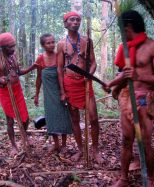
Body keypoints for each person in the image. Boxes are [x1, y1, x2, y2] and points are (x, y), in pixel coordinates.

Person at [104, 10, 154, 186]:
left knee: (145, 141)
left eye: (121, 28)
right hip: (127, 99)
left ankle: (151, 178)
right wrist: (111, 84)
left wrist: (138, 76)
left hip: (146, 99)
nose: (121, 32)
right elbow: (125, 74)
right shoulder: (126, 48)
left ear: (128, 26)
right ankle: (124, 178)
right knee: (126, 140)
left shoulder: (152, 47)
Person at [57, 11, 104, 164]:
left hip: (85, 83)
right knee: (75, 120)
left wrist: (89, 74)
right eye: (72, 19)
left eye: (78, 20)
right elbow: (59, 68)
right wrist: (62, 92)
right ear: (66, 24)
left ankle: (95, 149)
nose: (76, 22)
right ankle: (80, 149)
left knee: (94, 118)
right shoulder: (61, 44)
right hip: (69, 83)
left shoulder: (87, 41)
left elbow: (93, 63)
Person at [0, 32, 31, 155]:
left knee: (25, 118)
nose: (13, 49)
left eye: (14, 46)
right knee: (10, 121)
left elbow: (18, 72)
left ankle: (24, 137)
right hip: (5, 91)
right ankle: (14, 145)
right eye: (10, 47)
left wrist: (32, 67)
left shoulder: (13, 56)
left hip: (17, 89)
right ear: (2, 47)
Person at [31, 33, 73, 154]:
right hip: (48, 95)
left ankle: (64, 145)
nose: (51, 45)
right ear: (43, 45)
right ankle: (56, 144)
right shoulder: (40, 58)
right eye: (48, 43)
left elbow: (65, 73)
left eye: (53, 42)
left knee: (64, 116)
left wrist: (64, 92)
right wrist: (37, 94)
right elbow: (39, 78)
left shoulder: (59, 56)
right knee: (51, 118)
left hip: (61, 91)